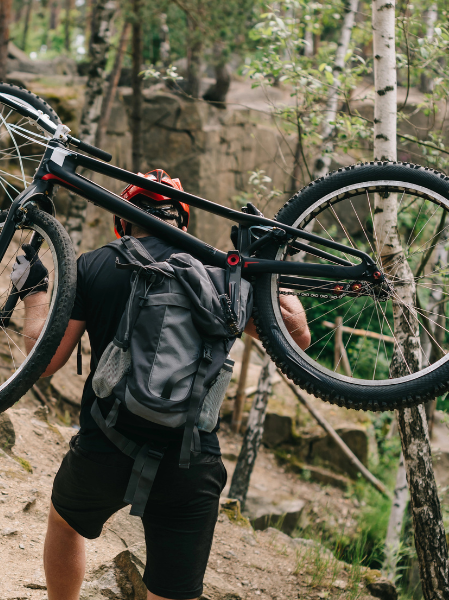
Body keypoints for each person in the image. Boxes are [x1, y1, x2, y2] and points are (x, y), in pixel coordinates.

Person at [17, 171, 311, 600]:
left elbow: (43, 365)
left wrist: (35, 297)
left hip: (107, 443)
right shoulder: (219, 274)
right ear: (183, 220)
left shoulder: (97, 263)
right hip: (191, 458)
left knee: (64, 523)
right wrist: (266, 270)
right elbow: (297, 339)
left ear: (123, 220)